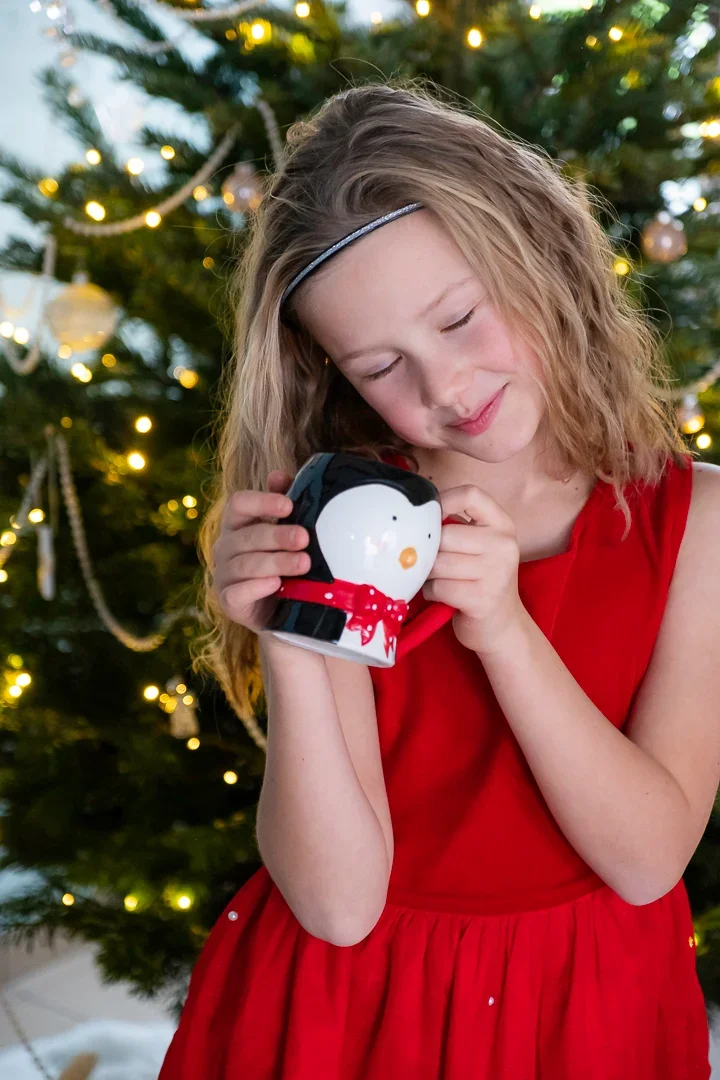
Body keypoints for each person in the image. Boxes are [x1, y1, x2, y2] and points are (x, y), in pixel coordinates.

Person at [158, 80, 719, 1079]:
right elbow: (337, 905)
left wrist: (504, 628)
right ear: (334, 374)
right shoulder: (336, 526)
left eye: (461, 318)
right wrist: (292, 633)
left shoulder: (697, 521)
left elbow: (646, 859)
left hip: (586, 1002)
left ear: (540, 252)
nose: (445, 389)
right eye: (381, 366)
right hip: (359, 1009)